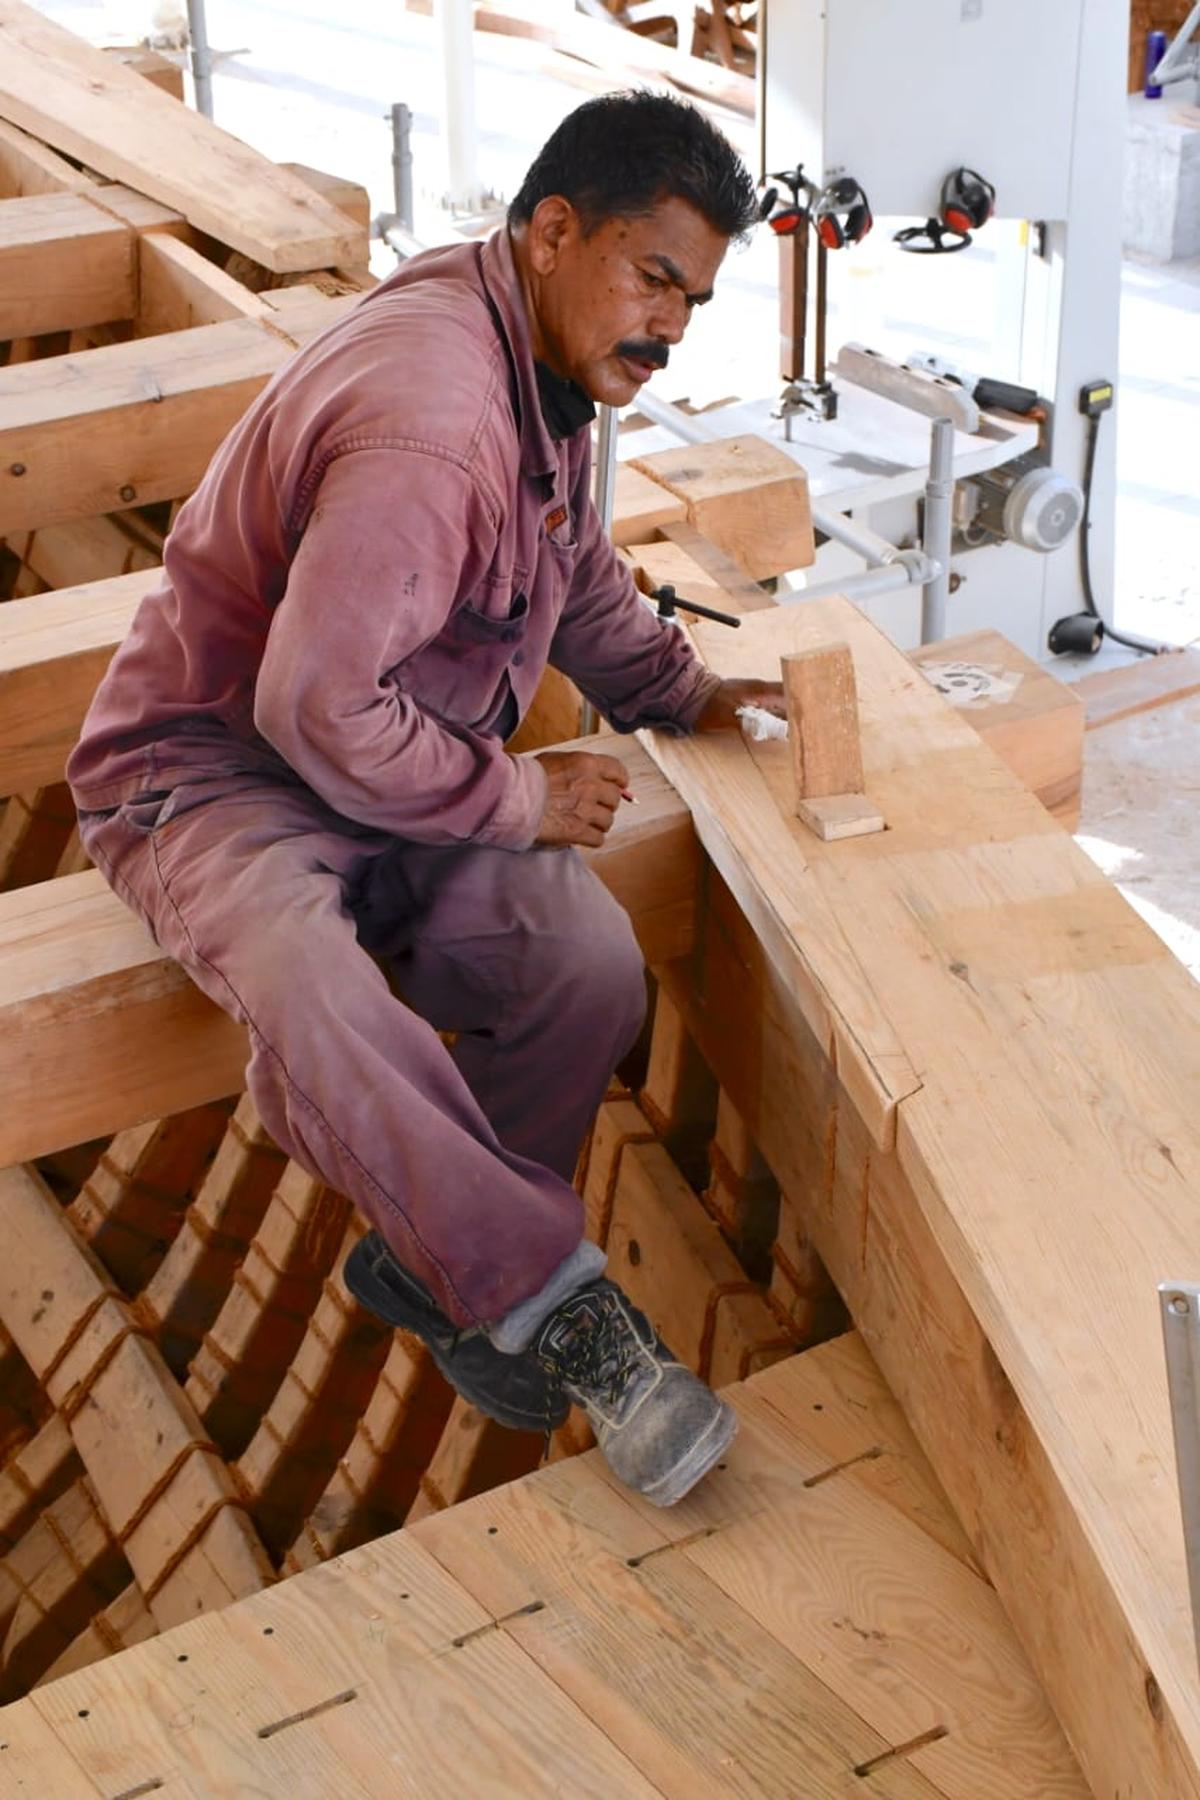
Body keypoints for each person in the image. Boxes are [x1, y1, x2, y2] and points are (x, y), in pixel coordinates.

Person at [67, 91, 785, 1508]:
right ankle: (551, 1303)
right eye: (655, 279)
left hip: (390, 760)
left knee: (584, 966)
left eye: (693, 299)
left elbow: (568, 570)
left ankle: (432, 1248)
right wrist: (513, 797)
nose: (672, 326)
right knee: (309, 984)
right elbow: (309, 707)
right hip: (212, 775)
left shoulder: (547, 365)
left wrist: (680, 692)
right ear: (554, 231)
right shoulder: (436, 422)